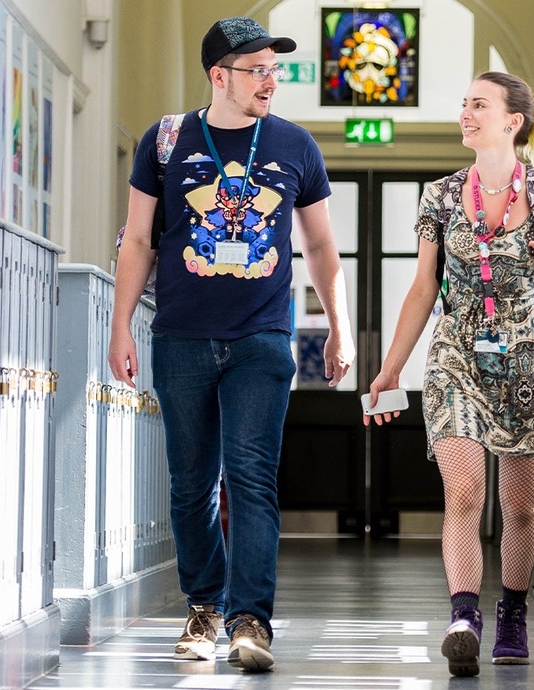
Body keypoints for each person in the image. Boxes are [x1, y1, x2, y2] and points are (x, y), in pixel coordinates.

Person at [108, 16, 355, 673]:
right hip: (182, 336)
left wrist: (338, 323)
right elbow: (137, 240)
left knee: (251, 480)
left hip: (262, 336)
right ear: (220, 76)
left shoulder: (296, 145)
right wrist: (118, 325)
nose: (270, 81)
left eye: (276, 69)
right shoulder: (167, 141)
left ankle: (251, 621)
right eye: (257, 70)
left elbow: (322, 245)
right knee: (191, 487)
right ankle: (204, 606)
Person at [363, 71, 534, 677]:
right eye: (464, 105)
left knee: (521, 508)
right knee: (462, 493)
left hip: (527, 356)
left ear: (512, 121)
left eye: (478, 105)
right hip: (457, 350)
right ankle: (464, 617)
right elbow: (423, 288)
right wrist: (390, 369)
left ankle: (512, 611)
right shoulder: (438, 195)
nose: (466, 113)